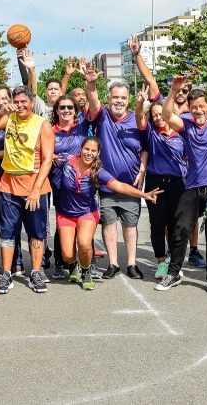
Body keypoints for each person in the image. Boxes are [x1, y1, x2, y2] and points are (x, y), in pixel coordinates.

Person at [157, 36, 207, 295]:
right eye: (194, 107)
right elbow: (167, 115)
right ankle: (173, 274)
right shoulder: (187, 125)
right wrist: (172, 91)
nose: (198, 110)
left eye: (201, 106)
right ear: (190, 109)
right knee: (180, 228)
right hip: (192, 186)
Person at [51, 137, 162, 290]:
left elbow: (119, 186)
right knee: (67, 255)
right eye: (86, 149)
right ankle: (74, 266)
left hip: (87, 212)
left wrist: (144, 195)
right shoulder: (66, 160)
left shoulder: (98, 172)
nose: (89, 153)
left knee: (83, 243)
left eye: (93, 151)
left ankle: (86, 271)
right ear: (81, 149)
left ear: (98, 153)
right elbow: (45, 158)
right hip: (65, 213)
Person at [82, 57, 147, 279]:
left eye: (123, 98)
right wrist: (90, 84)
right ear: (108, 99)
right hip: (107, 184)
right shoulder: (102, 117)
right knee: (109, 224)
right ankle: (113, 263)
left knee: (130, 226)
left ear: (128, 100)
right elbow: (92, 100)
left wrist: (142, 169)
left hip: (130, 184)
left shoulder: (137, 120)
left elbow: (146, 147)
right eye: (115, 97)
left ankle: (131, 263)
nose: (118, 101)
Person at [0, 86, 54, 294]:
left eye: (24, 101)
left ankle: (35, 272)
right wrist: (2, 111)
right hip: (9, 184)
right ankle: (7, 274)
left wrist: (35, 190)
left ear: (32, 103)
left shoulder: (42, 125)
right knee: (7, 232)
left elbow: (47, 160)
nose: (20, 105)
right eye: (17, 101)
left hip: (35, 186)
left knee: (36, 232)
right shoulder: (10, 119)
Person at [135, 85, 186, 280]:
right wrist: (140, 104)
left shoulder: (181, 132)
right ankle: (161, 263)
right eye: (154, 115)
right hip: (156, 183)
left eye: (160, 114)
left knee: (175, 225)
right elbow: (140, 119)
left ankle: (174, 262)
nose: (157, 117)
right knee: (157, 224)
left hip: (178, 184)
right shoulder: (150, 132)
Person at [49, 94, 93, 279]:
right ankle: (66, 261)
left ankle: (86, 263)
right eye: (62, 107)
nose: (66, 111)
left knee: (84, 225)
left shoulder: (82, 127)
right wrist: (48, 156)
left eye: (70, 108)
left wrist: (88, 83)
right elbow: (40, 152)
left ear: (75, 111)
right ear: (56, 110)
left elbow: (93, 104)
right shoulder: (50, 131)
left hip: (82, 185)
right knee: (64, 225)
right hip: (59, 184)